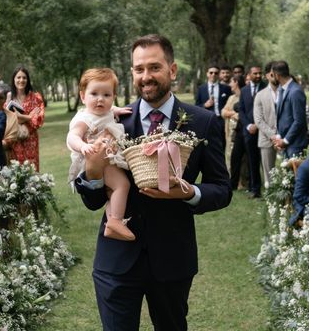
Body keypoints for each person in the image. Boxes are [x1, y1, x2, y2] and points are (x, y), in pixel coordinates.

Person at [74, 34, 232, 331]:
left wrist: (188, 192)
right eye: (138, 69)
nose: (146, 76)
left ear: (172, 71)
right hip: (116, 260)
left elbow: (222, 189)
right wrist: (94, 173)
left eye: (154, 67)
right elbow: (93, 201)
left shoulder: (203, 121)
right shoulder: (112, 121)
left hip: (172, 258)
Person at [67, 68, 134, 241]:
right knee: (122, 185)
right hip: (98, 160)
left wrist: (116, 110)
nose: (100, 99)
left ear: (113, 97)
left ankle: (113, 224)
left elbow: (109, 111)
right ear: (83, 97)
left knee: (113, 192)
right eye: (94, 94)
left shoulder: (105, 112)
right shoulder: (85, 119)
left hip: (108, 159)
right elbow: (72, 136)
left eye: (106, 95)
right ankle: (115, 221)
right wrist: (82, 146)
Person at [6, 66, 45, 170]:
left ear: (28, 80)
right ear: (13, 79)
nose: (21, 80)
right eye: (18, 77)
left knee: (32, 171)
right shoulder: (9, 97)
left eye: (24, 78)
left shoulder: (35, 97)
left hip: (30, 140)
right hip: (14, 140)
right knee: (16, 172)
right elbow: (10, 119)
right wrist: (29, 116)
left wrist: (20, 117)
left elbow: (38, 121)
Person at [238, 65, 266, 197]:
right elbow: (241, 111)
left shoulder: (266, 88)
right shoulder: (244, 90)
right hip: (249, 132)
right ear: (249, 75)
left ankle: (270, 188)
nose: (258, 76)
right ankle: (255, 189)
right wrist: (249, 126)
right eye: (255, 73)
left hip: (264, 130)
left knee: (265, 161)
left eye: (260, 73)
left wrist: (258, 125)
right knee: (252, 161)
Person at [271, 61, 307, 157]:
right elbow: (284, 117)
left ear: (277, 75)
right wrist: (279, 137)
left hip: (296, 144)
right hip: (285, 143)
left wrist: (286, 140)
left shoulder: (295, 91)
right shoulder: (281, 89)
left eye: (272, 74)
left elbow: (299, 120)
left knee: (295, 172)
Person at [253, 62, 279, 188]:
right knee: (269, 172)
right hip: (266, 138)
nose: (275, 76)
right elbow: (258, 120)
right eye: (272, 74)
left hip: (286, 137)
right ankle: (272, 198)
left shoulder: (287, 92)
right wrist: (273, 135)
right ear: (267, 76)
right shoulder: (260, 95)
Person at [220, 74, 243, 168]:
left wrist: (230, 114)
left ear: (236, 82)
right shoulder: (231, 98)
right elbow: (223, 112)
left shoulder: (244, 96)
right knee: (229, 157)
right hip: (229, 133)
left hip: (239, 133)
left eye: (231, 82)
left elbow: (242, 115)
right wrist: (233, 114)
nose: (230, 85)